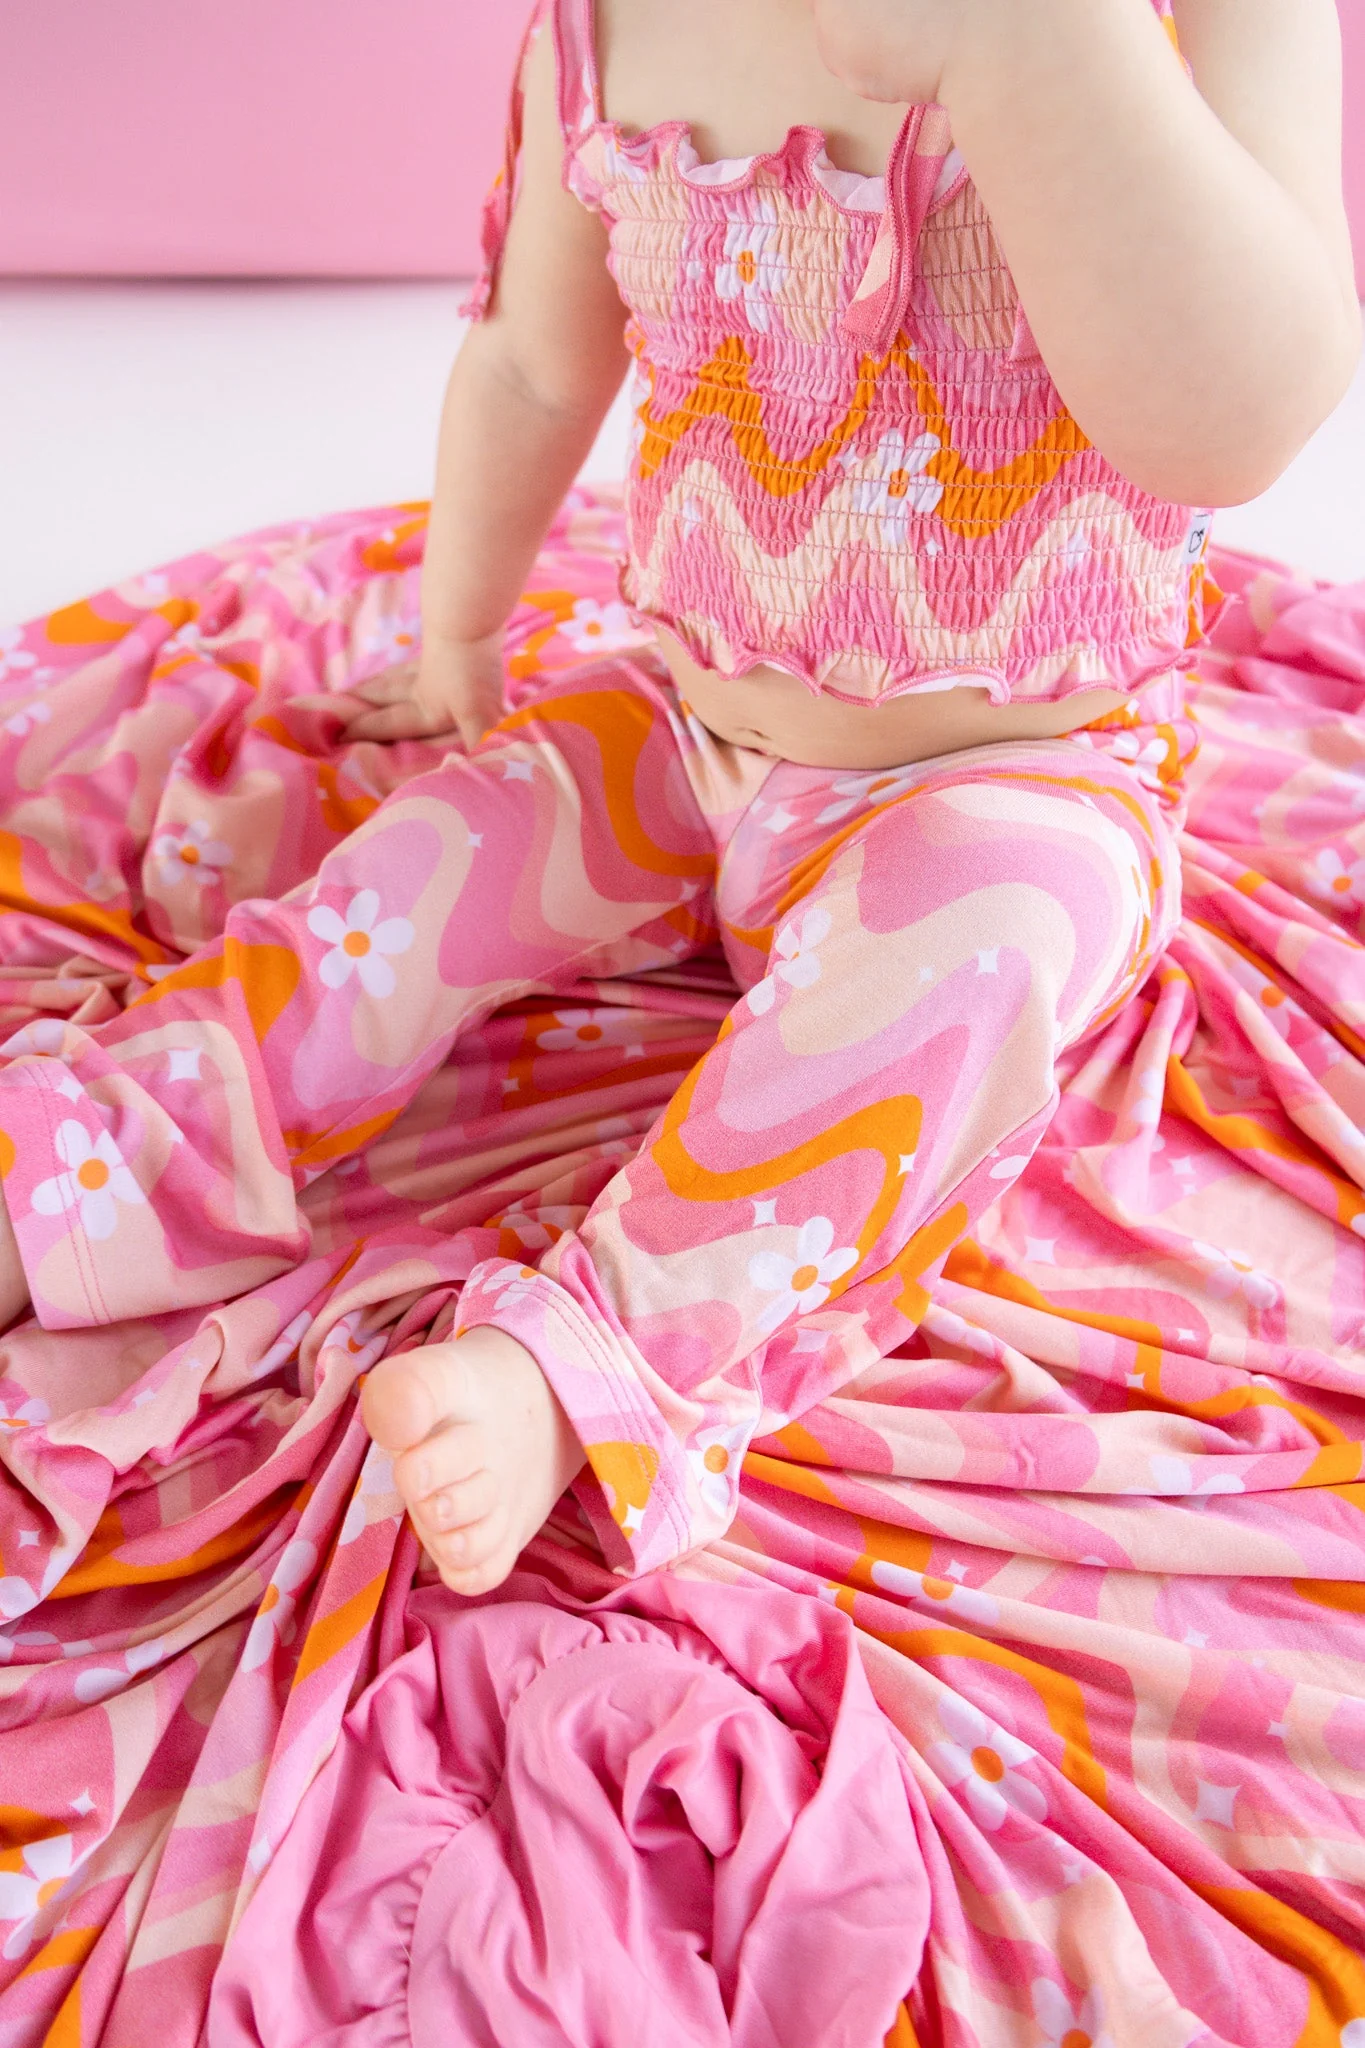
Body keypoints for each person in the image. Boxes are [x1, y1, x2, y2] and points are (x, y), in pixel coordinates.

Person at [0, 0, 1356, 1600]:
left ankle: (593, 1358)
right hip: (692, 724)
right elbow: (531, 362)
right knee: (411, 882)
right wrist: (461, 638)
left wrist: (1047, 48)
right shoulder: (613, 26)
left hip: (1024, 776)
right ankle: (94, 1157)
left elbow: (1232, 427)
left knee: (980, 954)